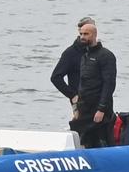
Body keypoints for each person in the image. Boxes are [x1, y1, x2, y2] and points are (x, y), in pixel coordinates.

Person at [48, 17, 117, 149]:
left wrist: (102, 108)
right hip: (81, 103)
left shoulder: (104, 55)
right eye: (81, 33)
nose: (82, 36)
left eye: (86, 33)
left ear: (94, 33)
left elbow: (109, 83)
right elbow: (55, 77)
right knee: (82, 134)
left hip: (99, 104)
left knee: (102, 135)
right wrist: (73, 96)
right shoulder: (72, 53)